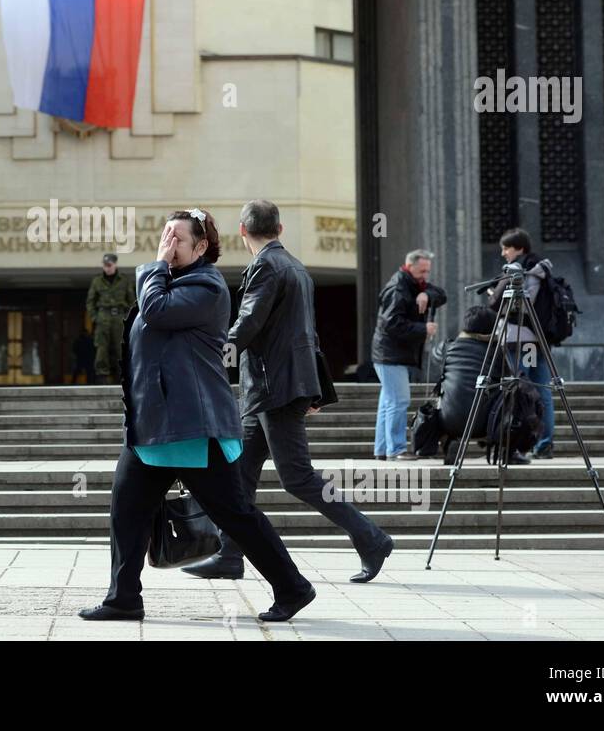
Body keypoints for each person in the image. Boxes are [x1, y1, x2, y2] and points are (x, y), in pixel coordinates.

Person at [78, 209, 316, 623]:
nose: (167, 243)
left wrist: (154, 264)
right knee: (127, 510)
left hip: (194, 429)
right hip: (153, 429)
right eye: (165, 235)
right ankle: (123, 598)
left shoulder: (206, 286)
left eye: (177, 238)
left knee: (234, 514)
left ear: (201, 246)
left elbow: (155, 310)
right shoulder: (170, 281)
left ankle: (293, 587)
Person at [183, 200, 395, 584]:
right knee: (239, 476)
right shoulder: (296, 266)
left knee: (297, 477)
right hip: (274, 388)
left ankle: (371, 537)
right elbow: (307, 333)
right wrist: (312, 388)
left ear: (242, 231)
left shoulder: (265, 265)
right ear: (280, 230)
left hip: (272, 388)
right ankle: (230, 554)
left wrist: (210, 355)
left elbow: (248, 322)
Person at [370, 249, 447, 460]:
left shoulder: (414, 285)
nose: (426, 275)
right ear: (409, 266)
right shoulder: (398, 289)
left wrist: (426, 294)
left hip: (392, 355)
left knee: (388, 402)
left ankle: (382, 450)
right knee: (399, 400)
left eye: (427, 271)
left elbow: (441, 294)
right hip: (390, 355)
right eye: (422, 270)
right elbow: (391, 324)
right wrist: (423, 330)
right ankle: (395, 449)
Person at [489, 227, 555, 459]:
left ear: (520, 248)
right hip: (537, 340)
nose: (503, 253)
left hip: (522, 340)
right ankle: (544, 443)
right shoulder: (541, 270)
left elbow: (524, 305)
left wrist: (498, 295)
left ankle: (523, 442)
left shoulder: (525, 272)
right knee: (541, 390)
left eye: (506, 248)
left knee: (523, 390)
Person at [428, 305, 501, 463]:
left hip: (449, 419)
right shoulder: (497, 352)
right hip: (486, 422)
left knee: (444, 393)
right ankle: (508, 450)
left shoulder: (447, 347)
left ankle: (449, 443)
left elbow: (435, 360)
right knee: (513, 392)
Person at [85, 252, 136, 384]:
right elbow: (90, 302)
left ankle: (121, 376)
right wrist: (95, 317)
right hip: (103, 317)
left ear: (115, 264)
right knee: (102, 347)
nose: (107, 268)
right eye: (105, 265)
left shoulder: (124, 280)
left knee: (120, 347)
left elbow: (131, 302)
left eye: (109, 265)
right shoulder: (97, 281)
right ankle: (102, 376)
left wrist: (127, 318)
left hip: (119, 317)